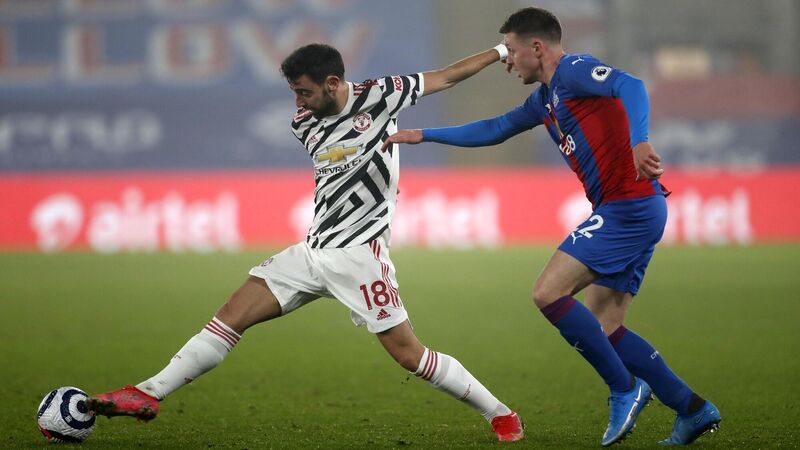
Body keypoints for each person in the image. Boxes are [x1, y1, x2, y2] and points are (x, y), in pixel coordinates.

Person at [85, 43, 525, 443]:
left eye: (304, 92)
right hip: (312, 252)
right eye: (294, 93)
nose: (298, 103)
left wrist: (501, 50)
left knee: (410, 356)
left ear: (333, 83)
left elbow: (447, 75)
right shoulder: (304, 123)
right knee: (229, 318)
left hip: (359, 257)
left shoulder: (382, 94)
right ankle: (148, 392)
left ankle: (501, 414)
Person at [383, 7, 721, 447]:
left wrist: (640, 140)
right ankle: (692, 409)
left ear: (537, 47)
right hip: (633, 208)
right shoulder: (544, 99)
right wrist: (424, 134)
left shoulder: (574, 71)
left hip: (629, 206)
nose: (507, 61)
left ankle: (624, 389)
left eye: (510, 50)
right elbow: (496, 128)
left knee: (548, 292)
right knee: (603, 326)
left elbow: (632, 85)